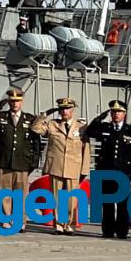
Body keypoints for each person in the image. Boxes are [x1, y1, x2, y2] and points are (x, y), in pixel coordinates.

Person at [84, 100, 131, 239]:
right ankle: (108, 231)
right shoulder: (105, 128)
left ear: (124, 113)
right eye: (113, 112)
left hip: (123, 173)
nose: (116, 115)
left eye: (119, 112)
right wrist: (100, 117)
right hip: (106, 172)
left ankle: (122, 231)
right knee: (107, 204)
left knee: (122, 204)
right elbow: (90, 131)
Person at [0, 88, 41, 231]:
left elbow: (36, 142)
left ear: (22, 101)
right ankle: (5, 219)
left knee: (20, 194)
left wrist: (34, 162)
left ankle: (20, 221)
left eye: (17, 101)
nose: (15, 104)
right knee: (4, 192)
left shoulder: (30, 119)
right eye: (12, 101)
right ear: (8, 101)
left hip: (22, 162)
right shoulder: (1, 117)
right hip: (4, 161)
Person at [31, 97, 90, 235]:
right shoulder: (52, 124)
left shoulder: (81, 127)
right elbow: (35, 128)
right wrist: (44, 115)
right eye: (62, 109)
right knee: (56, 196)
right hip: (56, 165)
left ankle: (67, 223)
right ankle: (58, 224)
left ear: (72, 110)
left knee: (71, 198)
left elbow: (85, 149)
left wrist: (84, 169)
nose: (64, 111)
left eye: (67, 108)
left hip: (74, 167)